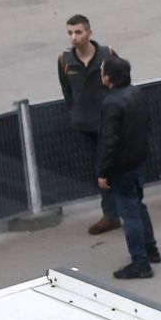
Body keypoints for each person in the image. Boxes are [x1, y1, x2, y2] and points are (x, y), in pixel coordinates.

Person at [94, 56, 157, 281]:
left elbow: (109, 141)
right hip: (137, 161)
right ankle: (150, 249)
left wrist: (103, 171)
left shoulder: (111, 103)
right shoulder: (136, 94)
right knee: (138, 205)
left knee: (128, 212)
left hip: (122, 167)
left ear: (108, 77)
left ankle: (140, 262)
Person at [58, 15, 120, 237]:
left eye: (78, 32)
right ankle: (110, 214)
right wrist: (75, 113)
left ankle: (128, 210)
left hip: (109, 123)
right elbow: (67, 92)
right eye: (70, 33)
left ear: (89, 33)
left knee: (117, 166)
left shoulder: (107, 55)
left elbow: (122, 83)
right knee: (99, 170)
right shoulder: (65, 60)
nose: (74, 37)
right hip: (85, 126)